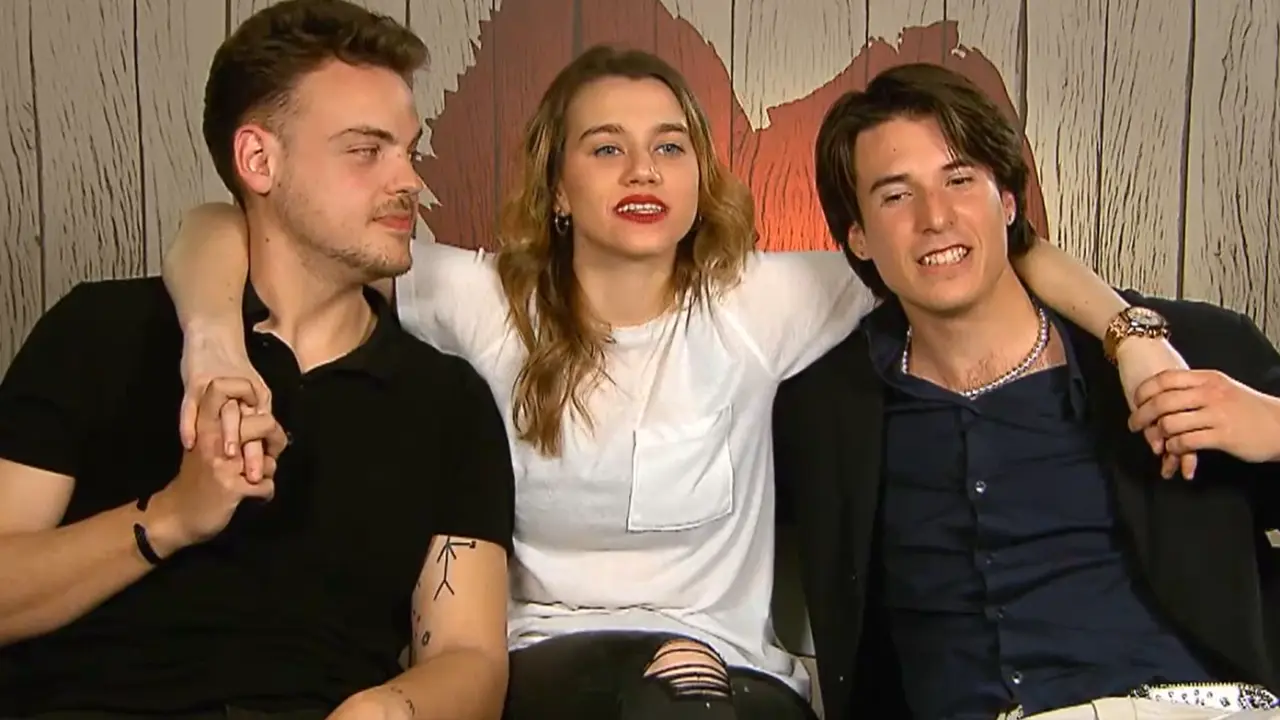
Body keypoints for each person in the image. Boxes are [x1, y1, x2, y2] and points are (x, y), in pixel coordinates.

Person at [161, 45, 1182, 719]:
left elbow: (987, 247)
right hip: (543, 676)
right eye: (605, 148)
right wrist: (212, 343)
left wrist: (1129, 336)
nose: (641, 171)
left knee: (691, 702)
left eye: (668, 147)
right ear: (558, 186)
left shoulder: (762, 300)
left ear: (699, 175)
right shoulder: (477, 298)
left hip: (735, 679)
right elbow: (231, 221)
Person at [0, 1, 513, 718]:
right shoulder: (102, 332)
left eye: (408, 149)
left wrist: (387, 711)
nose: (410, 182)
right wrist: (172, 517)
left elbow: (469, 658)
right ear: (258, 160)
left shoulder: (445, 399)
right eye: (366, 151)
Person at [773, 61, 1280, 720]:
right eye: (896, 196)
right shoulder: (823, 410)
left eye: (960, 180)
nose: (935, 217)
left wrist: (1271, 428)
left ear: (1007, 203)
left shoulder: (1189, 354)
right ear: (859, 239)